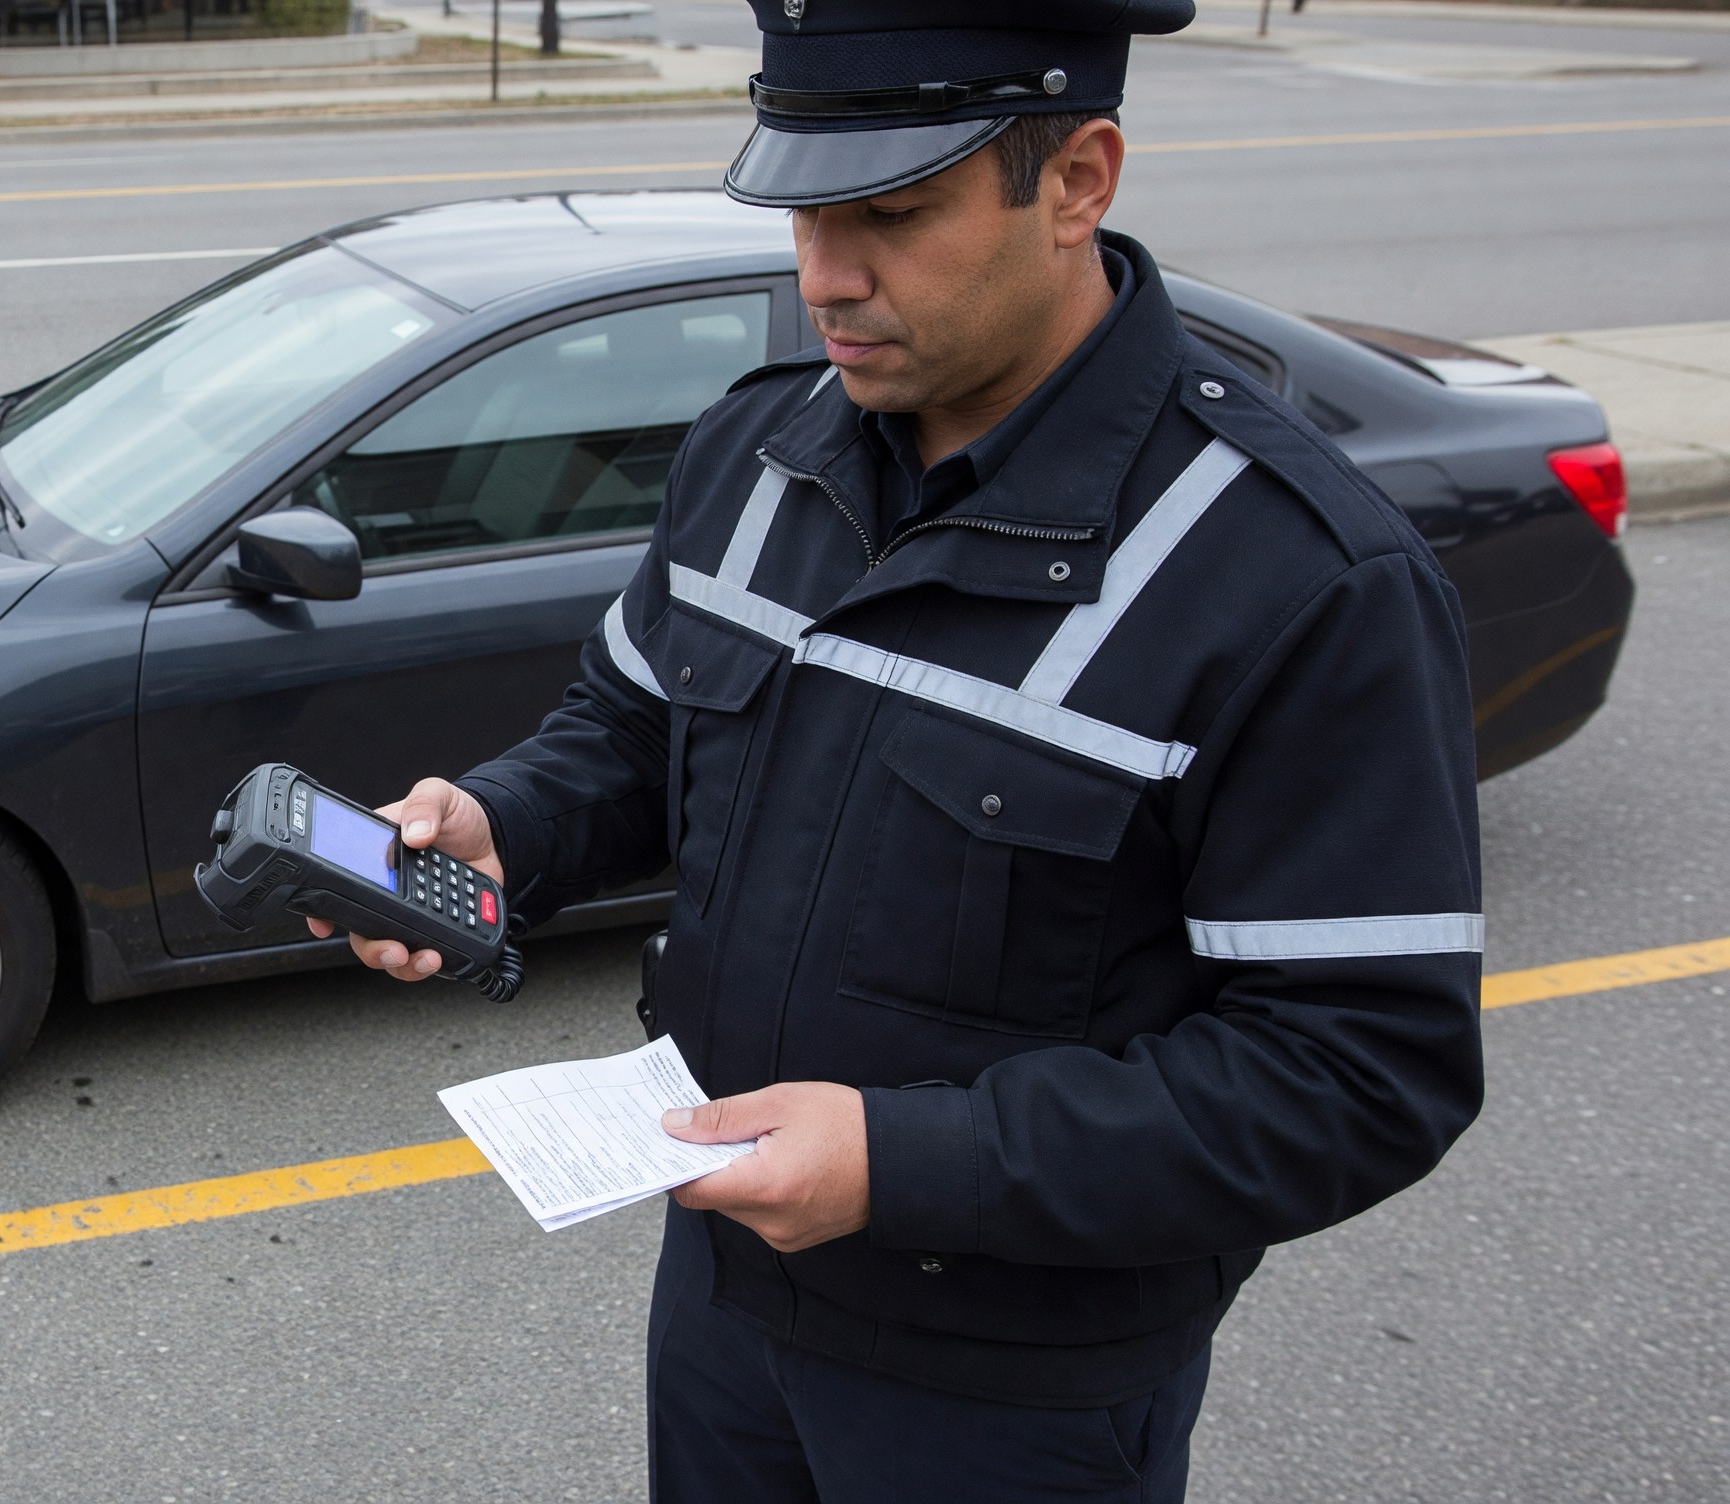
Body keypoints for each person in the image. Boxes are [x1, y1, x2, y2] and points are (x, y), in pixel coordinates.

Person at [306, 1, 1487, 1498]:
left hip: (1012, 1394)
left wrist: (902, 1165)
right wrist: (503, 826)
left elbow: (1361, 1073)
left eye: (894, 214)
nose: (826, 280)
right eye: (805, 213)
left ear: (1078, 182)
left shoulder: (1296, 576)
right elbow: (634, 726)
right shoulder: (759, 454)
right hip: (728, 1295)